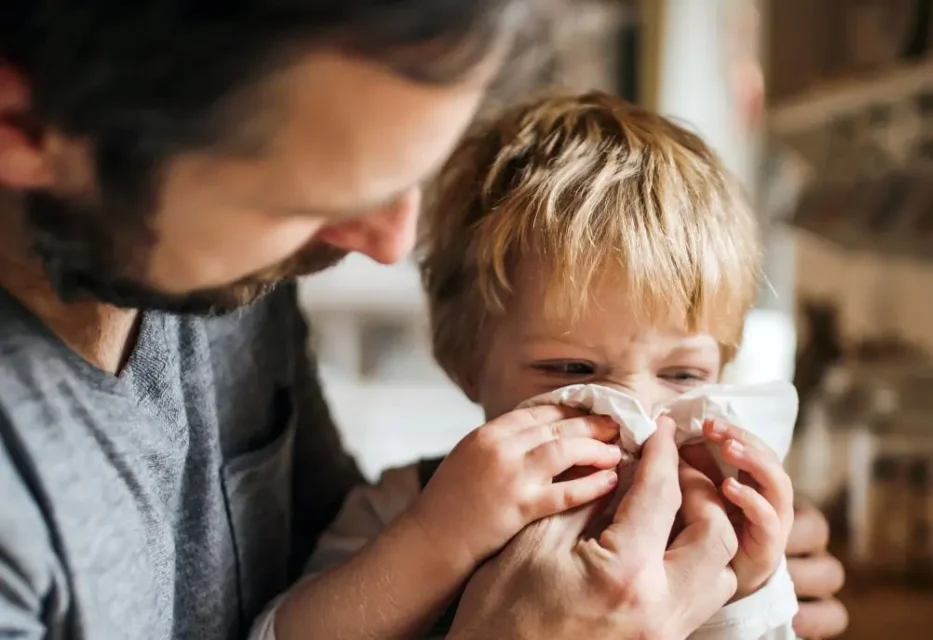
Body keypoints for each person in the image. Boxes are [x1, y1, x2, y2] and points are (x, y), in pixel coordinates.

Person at [0, 2, 846, 638]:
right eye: (315, 195)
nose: (388, 244)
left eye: (686, 374)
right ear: (28, 129)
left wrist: (758, 584)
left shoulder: (230, 272)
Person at [264, 91, 801, 640]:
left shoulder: (706, 524)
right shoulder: (414, 506)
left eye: (683, 375)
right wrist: (437, 539)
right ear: (466, 362)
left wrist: (749, 591)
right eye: (571, 370)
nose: (638, 416)